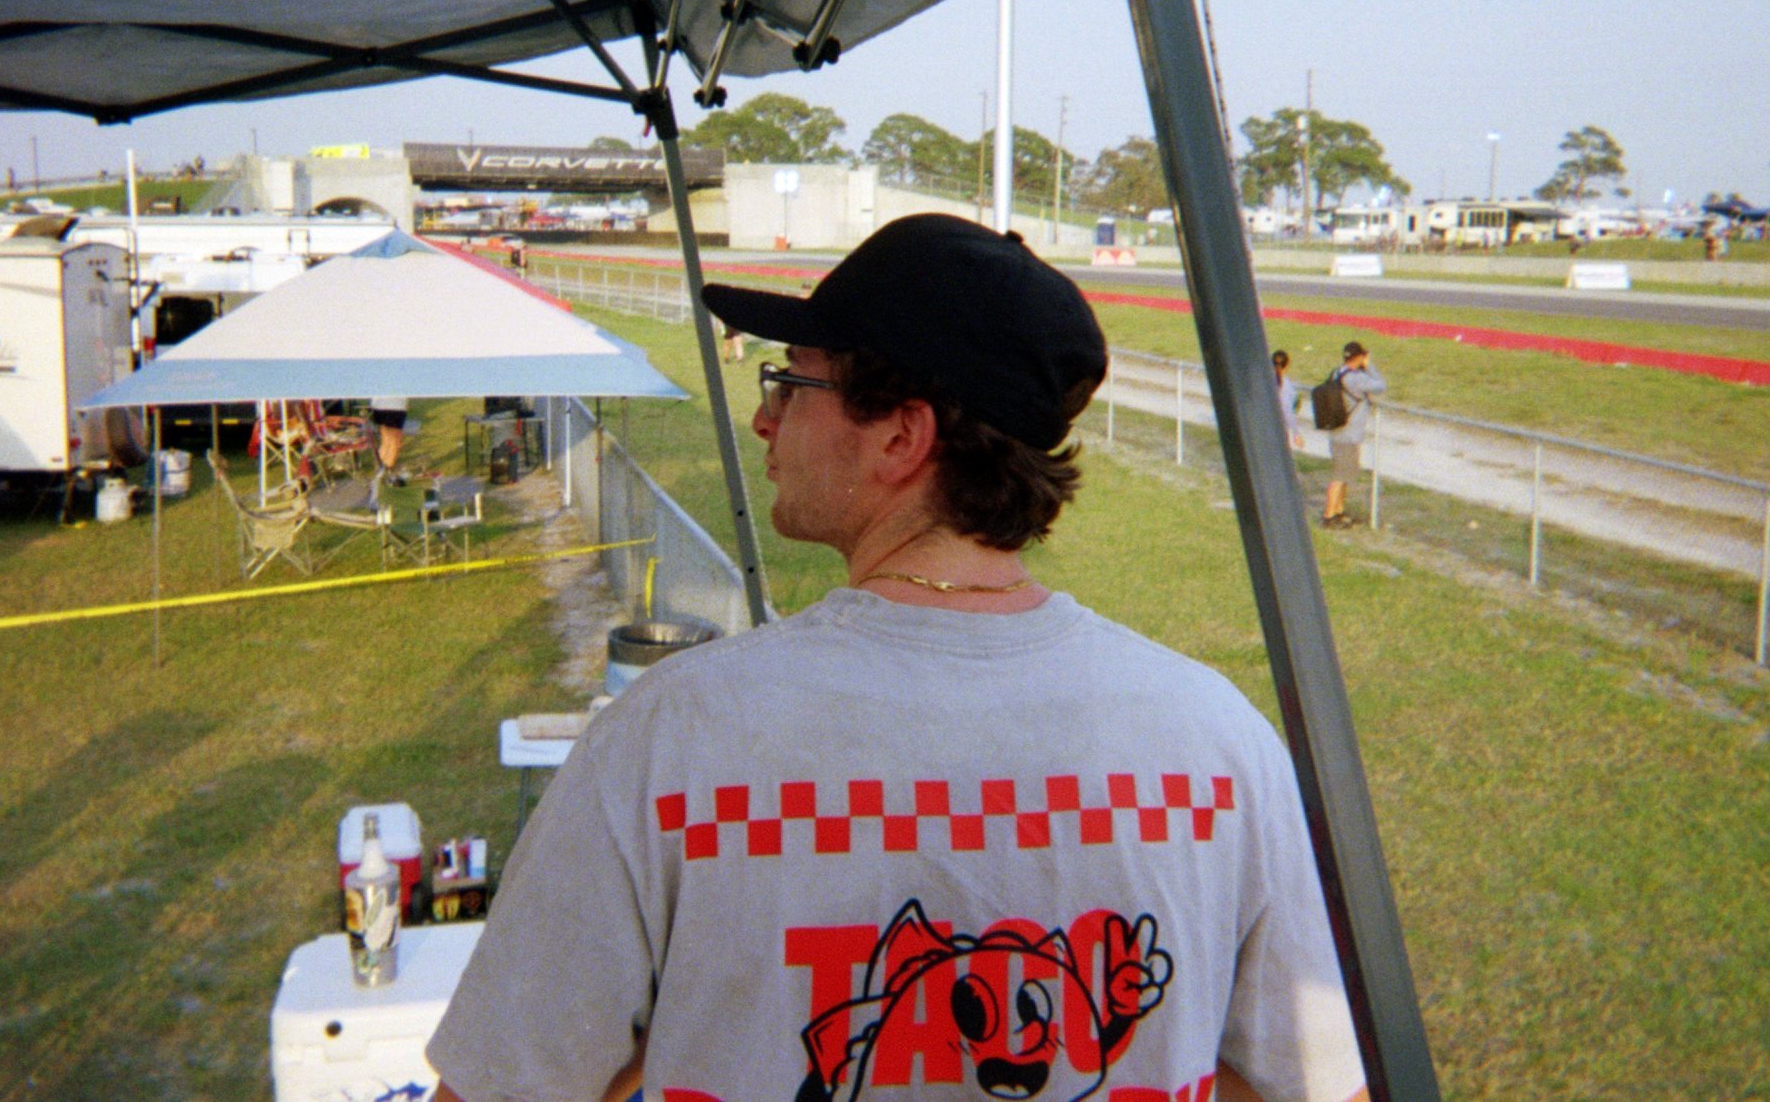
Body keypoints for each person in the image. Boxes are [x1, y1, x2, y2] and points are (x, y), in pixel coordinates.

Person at [426, 214, 1366, 1102]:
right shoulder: (1218, 747)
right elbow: (1306, 1081)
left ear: (901, 434)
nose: (766, 420)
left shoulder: (671, 738)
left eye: (789, 384)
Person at [1320, 342, 1385, 530]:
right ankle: (1329, 515)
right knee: (1340, 475)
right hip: (1349, 433)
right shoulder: (1357, 379)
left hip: (1337, 429)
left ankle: (1338, 511)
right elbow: (1380, 386)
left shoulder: (1336, 373)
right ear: (1358, 357)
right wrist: (1369, 365)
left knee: (1345, 473)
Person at [369, 396, 408, 481]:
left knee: (388, 440)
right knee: (393, 441)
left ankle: (381, 472)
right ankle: (385, 473)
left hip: (386, 405)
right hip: (392, 406)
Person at [1273, 348, 1303, 450]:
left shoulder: (1263, 381)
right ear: (1287, 365)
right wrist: (1296, 434)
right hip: (1279, 430)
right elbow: (1288, 412)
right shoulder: (1286, 385)